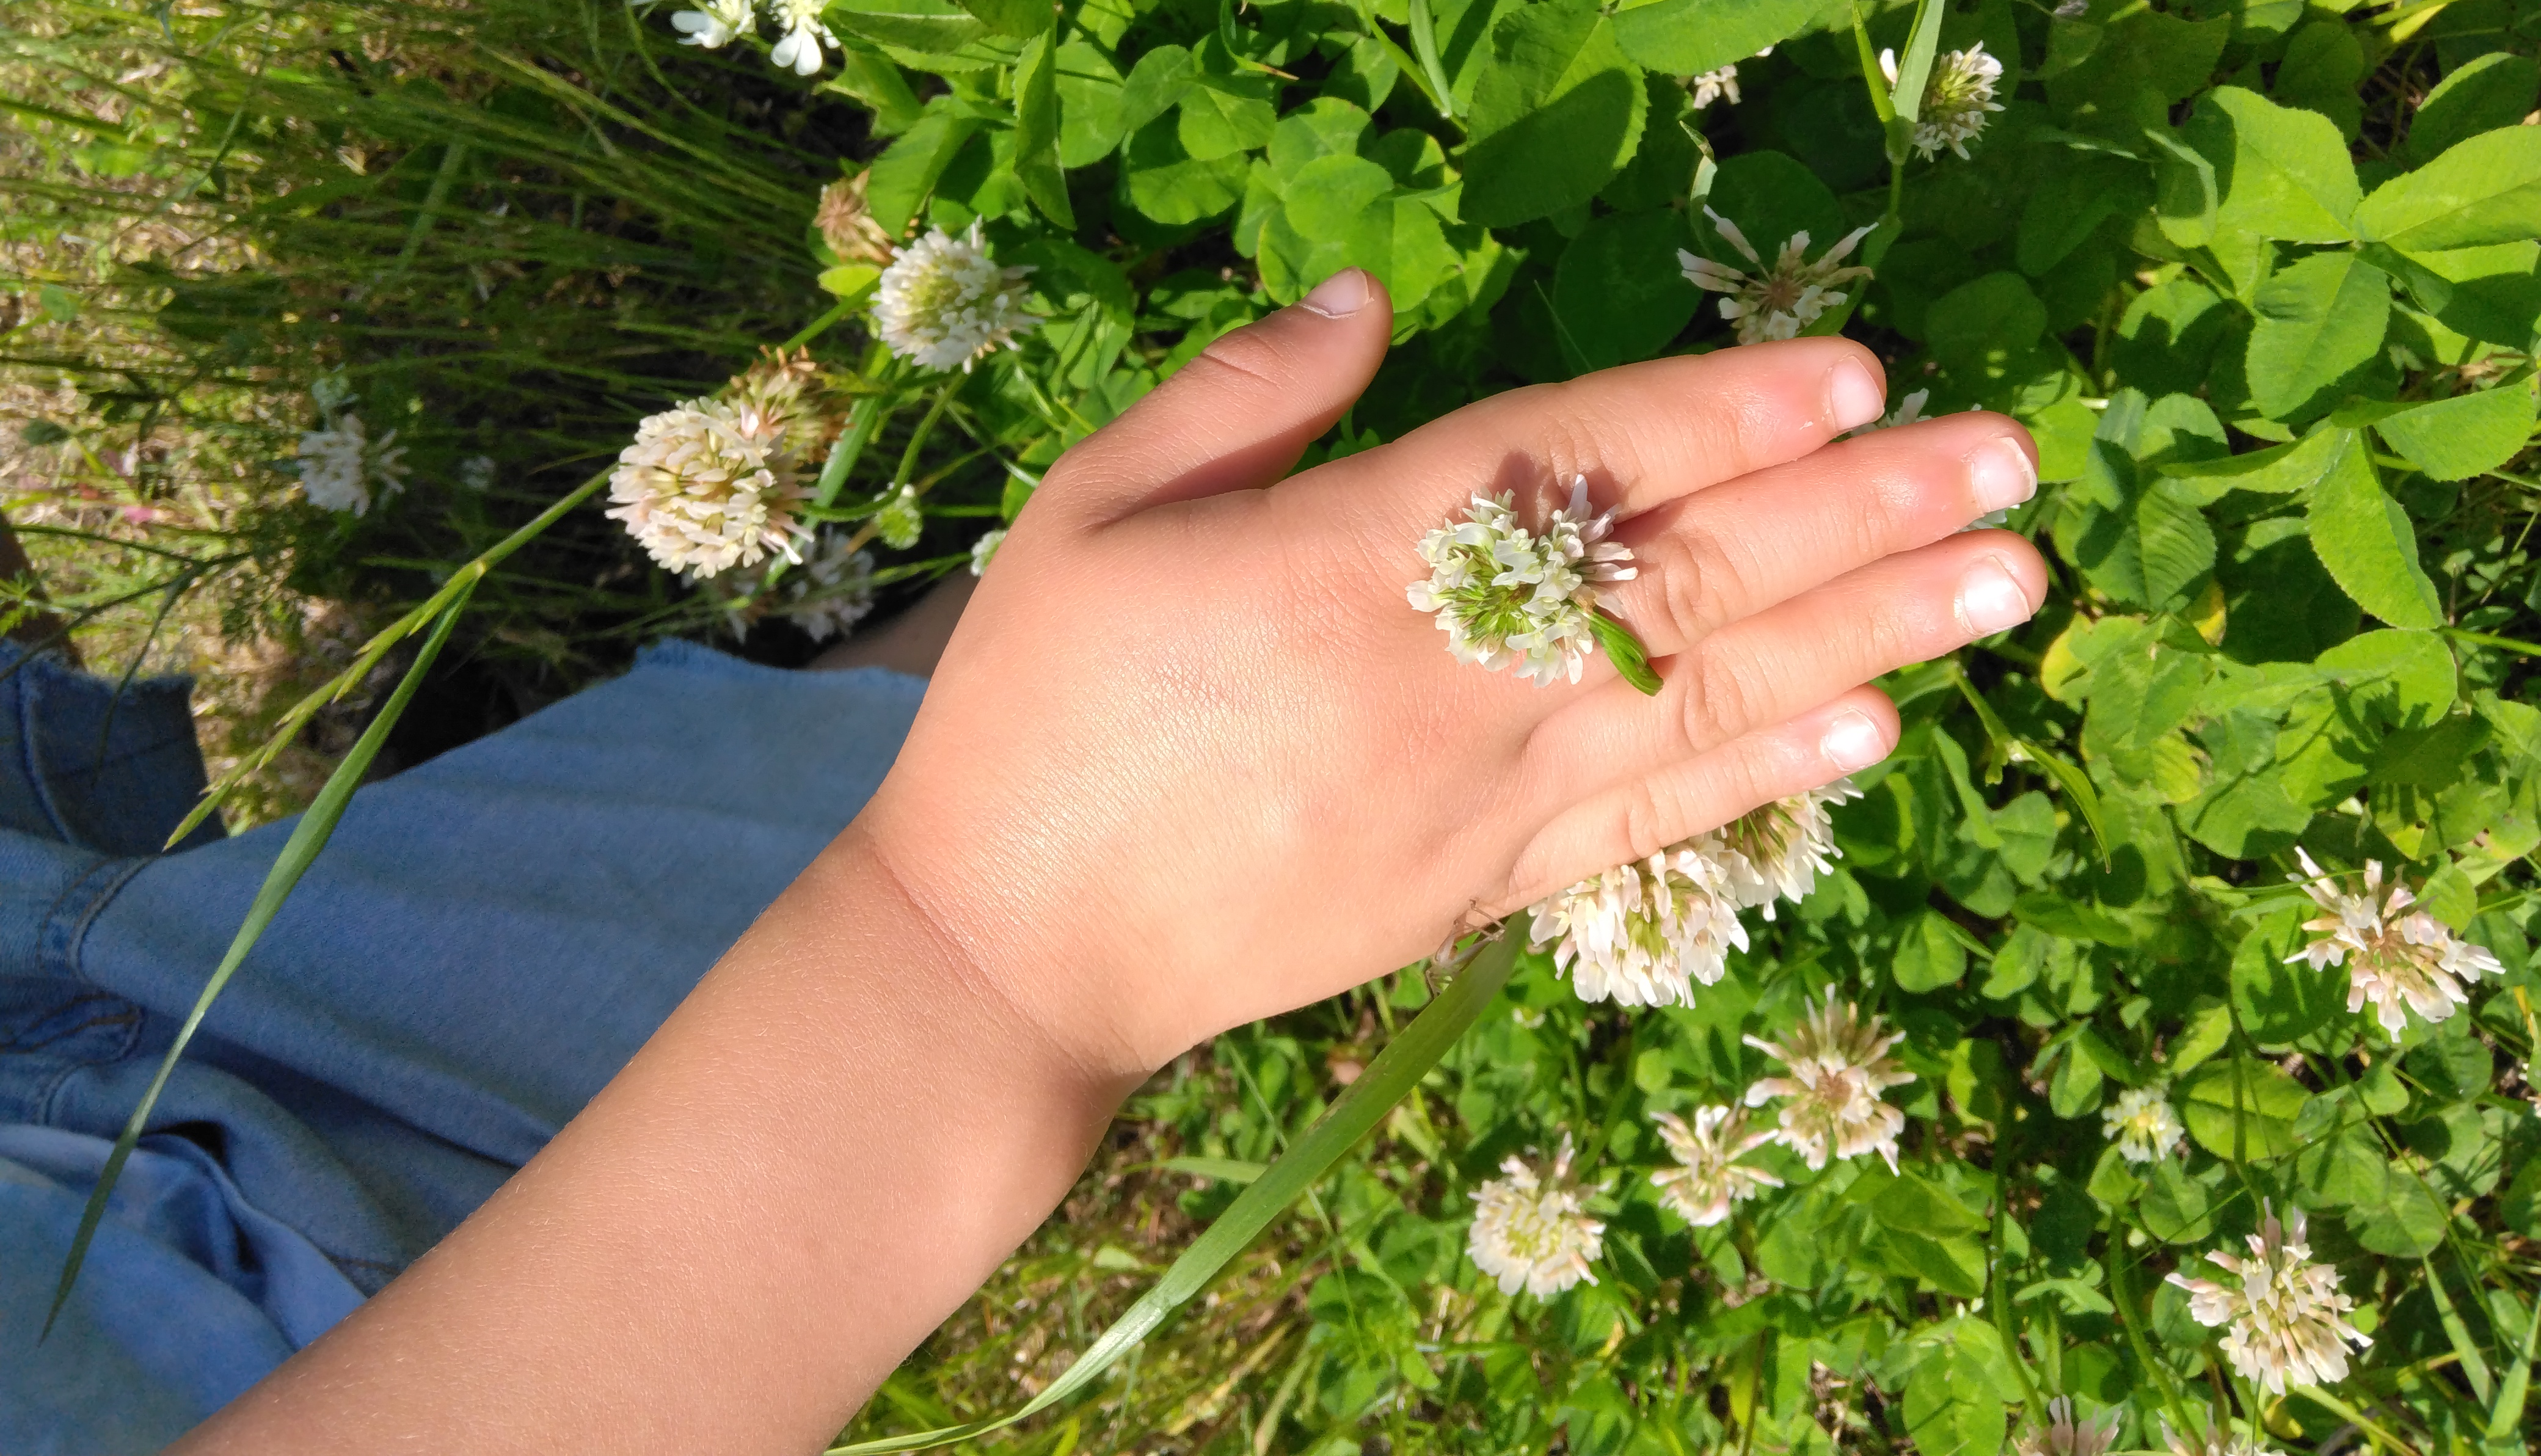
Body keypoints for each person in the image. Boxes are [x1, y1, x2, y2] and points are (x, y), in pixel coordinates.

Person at [3, 270, 2044, 1454]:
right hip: (408, 1326)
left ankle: (1046, 641)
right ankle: (1052, 690)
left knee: (758, 768)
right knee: (807, 847)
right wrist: (991, 941)